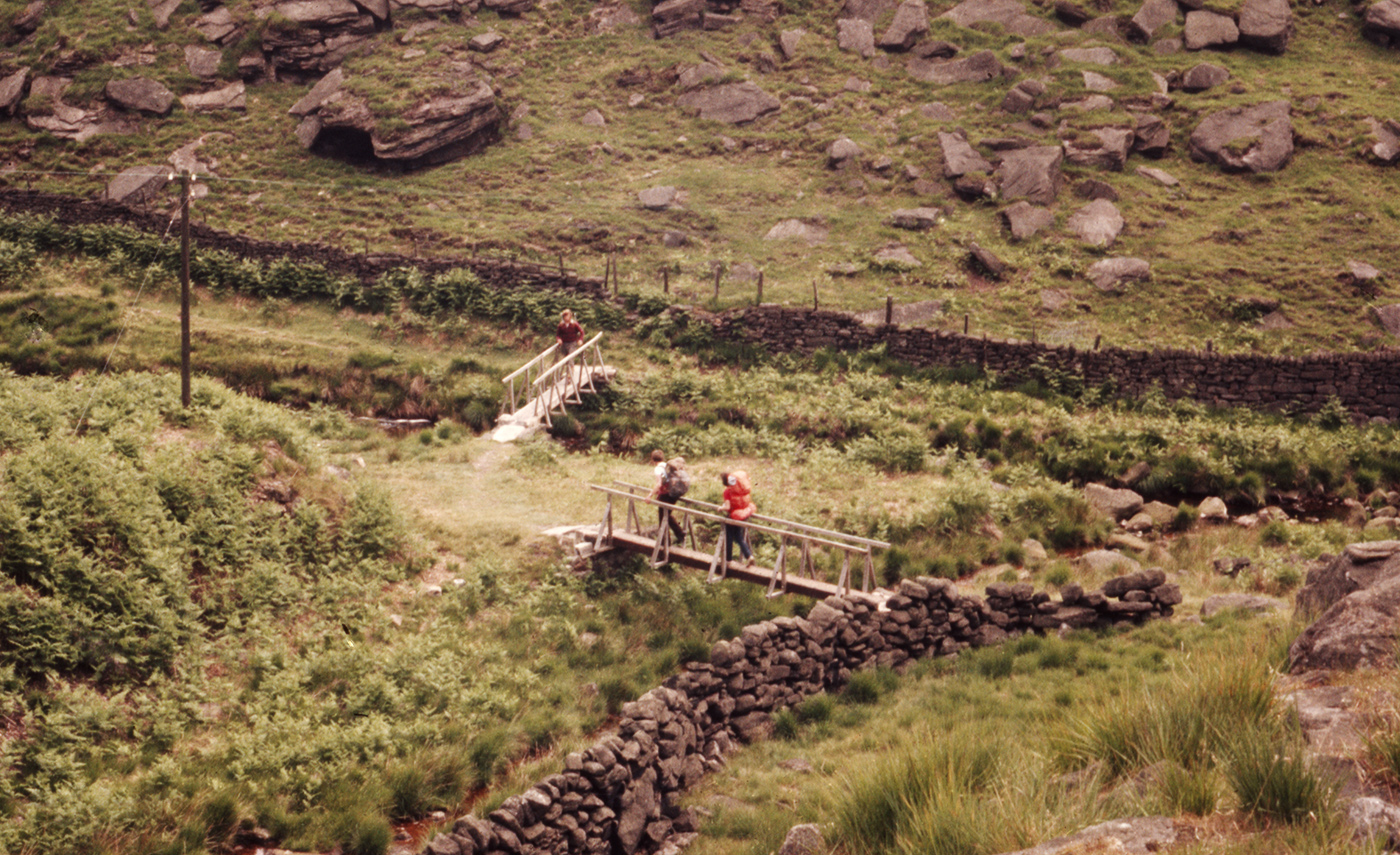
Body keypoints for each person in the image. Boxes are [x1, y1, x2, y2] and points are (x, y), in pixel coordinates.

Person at [718, 470, 754, 567]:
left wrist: (721, 508)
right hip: (741, 516)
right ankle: (749, 555)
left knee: (728, 537)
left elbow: (728, 507)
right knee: (739, 537)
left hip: (733, 517)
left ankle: (728, 559)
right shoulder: (740, 492)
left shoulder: (727, 492)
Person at [652, 457, 689, 543]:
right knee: (666, 515)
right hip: (675, 495)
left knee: (663, 517)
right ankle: (675, 535)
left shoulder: (663, 468)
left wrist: (652, 494)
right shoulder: (673, 468)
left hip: (667, 495)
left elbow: (661, 482)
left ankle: (667, 540)